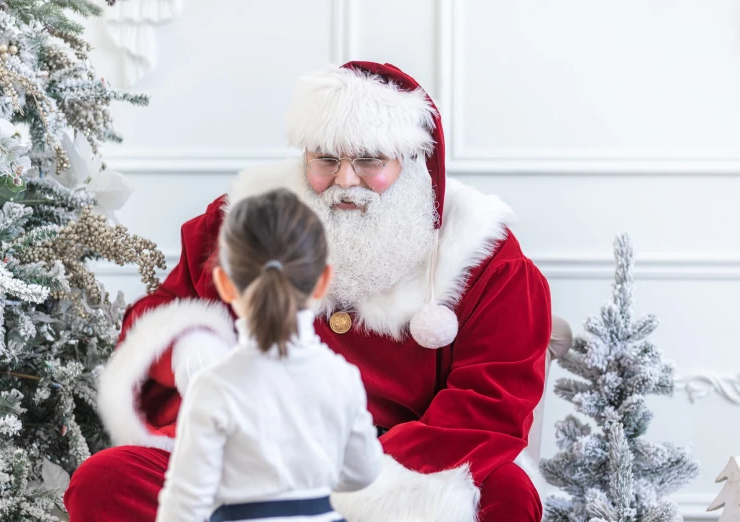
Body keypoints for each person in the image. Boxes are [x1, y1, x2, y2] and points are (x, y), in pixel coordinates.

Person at [65, 61, 552, 522]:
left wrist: (375, 482)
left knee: (504, 493)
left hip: (407, 464)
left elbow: (491, 398)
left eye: (369, 159)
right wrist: (190, 346)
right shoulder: (246, 219)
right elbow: (157, 317)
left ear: (411, 160)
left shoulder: (481, 254)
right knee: (107, 481)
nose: (344, 180)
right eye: (325, 159)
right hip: (252, 455)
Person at [155, 189, 382, 522]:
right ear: (322, 283)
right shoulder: (342, 376)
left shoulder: (214, 386)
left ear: (225, 284)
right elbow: (364, 472)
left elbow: (185, 505)